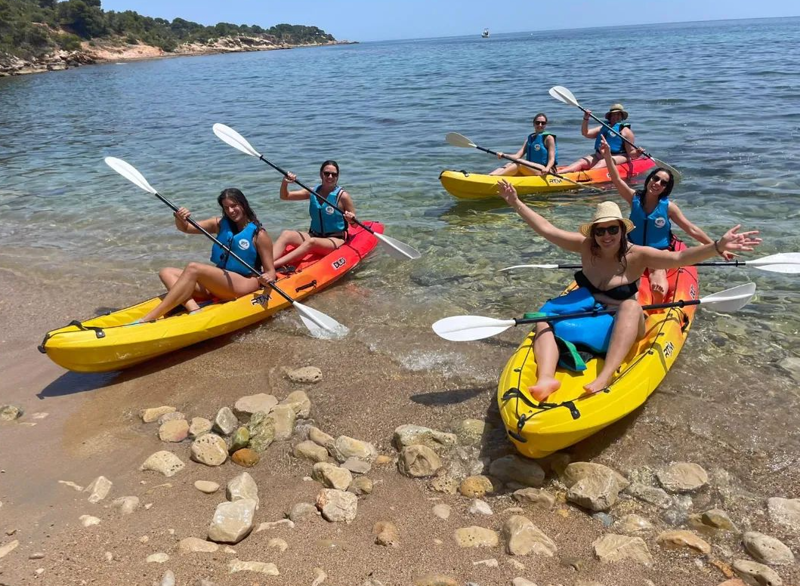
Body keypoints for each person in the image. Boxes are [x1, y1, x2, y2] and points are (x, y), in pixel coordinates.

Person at [497, 179, 760, 400]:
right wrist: (515, 202)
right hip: (589, 314)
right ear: (594, 233)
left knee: (631, 305)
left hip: (624, 322)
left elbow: (680, 259)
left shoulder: (638, 255)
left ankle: (605, 375)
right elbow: (546, 228)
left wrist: (716, 246)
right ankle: (546, 379)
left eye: (613, 229)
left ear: (623, 230)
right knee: (543, 320)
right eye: (601, 231)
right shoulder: (585, 247)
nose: (607, 235)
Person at [598, 136, 729, 302]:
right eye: (655, 178)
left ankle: (656, 311)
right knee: (617, 280)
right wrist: (608, 154)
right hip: (633, 249)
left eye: (663, 182)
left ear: (666, 188)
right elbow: (616, 179)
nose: (657, 183)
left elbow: (691, 228)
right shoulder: (634, 198)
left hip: (658, 252)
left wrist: (716, 247)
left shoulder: (669, 207)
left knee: (658, 280)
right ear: (649, 179)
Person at [135, 188, 276, 324]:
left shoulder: (259, 234)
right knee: (166, 272)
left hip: (244, 282)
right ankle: (194, 309)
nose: (231, 211)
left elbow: (271, 271)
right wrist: (180, 218)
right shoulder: (219, 224)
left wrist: (267, 277)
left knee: (193, 267)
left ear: (243, 204)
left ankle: (150, 317)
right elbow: (186, 228)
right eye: (226, 208)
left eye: (234, 206)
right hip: (221, 282)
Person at [272, 160, 357, 270]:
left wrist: (351, 220)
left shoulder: (343, 196)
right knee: (286, 234)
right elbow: (285, 196)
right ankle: (265, 263)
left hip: (335, 240)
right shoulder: (312, 191)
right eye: (327, 173)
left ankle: (273, 266)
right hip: (314, 234)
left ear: (337, 176)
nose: (330, 176)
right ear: (321, 174)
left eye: (334, 174)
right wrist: (285, 182)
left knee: (312, 242)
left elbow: (354, 225)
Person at [559, 103, 639, 173]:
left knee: (602, 162)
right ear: (610, 116)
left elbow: (631, 153)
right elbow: (585, 133)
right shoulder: (603, 127)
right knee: (581, 162)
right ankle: (559, 173)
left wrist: (638, 153)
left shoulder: (626, 131)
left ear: (622, 117)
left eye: (618, 114)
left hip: (619, 156)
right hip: (599, 155)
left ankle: (586, 175)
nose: (616, 116)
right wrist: (586, 118)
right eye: (614, 114)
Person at [489, 113, 558, 176]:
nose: (540, 125)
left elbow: (552, 159)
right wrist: (503, 155)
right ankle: (489, 176)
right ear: (533, 124)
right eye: (537, 123)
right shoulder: (529, 139)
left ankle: (497, 177)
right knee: (509, 164)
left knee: (520, 162)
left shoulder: (549, 138)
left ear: (545, 125)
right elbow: (517, 156)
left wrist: (547, 168)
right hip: (532, 168)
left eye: (543, 123)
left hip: (544, 169)